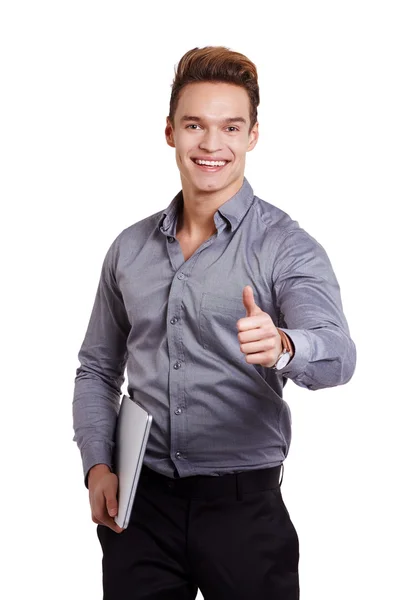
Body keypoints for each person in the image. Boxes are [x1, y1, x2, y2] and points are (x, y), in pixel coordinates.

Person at [72, 46, 356, 600]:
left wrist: (283, 346)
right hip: (140, 509)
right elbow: (97, 369)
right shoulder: (129, 248)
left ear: (252, 136)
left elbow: (339, 355)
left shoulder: (286, 248)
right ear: (170, 132)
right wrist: (97, 465)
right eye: (195, 125)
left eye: (230, 126)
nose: (211, 144)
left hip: (244, 515)